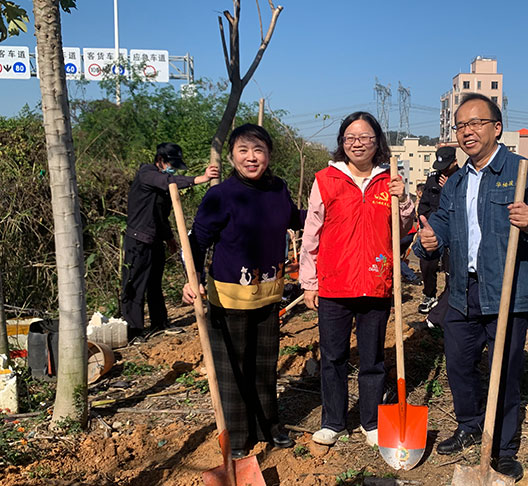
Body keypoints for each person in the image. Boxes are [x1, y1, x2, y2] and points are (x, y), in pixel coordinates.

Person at [414, 93, 528, 482]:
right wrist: (430, 240)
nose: (468, 132)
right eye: (461, 125)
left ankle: (503, 448)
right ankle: (468, 423)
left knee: (506, 372)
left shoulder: (523, 172)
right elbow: (442, 223)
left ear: (496, 128)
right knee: (459, 364)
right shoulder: (457, 181)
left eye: (476, 123)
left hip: (507, 290)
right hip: (463, 288)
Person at [182, 124, 303, 458]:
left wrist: (331, 212)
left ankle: (269, 426)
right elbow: (198, 240)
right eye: (244, 151)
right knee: (234, 369)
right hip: (230, 297)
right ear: (233, 156)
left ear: (269, 155)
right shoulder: (221, 195)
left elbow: (294, 217)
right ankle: (238, 437)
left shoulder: (277, 188)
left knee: (265, 365)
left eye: (259, 150)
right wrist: (190, 278)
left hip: (268, 293)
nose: (252, 158)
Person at [300, 112, 414, 447]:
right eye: (350, 137)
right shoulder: (326, 179)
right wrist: (309, 281)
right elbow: (312, 233)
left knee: (372, 358)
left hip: (376, 283)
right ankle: (333, 421)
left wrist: (404, 199)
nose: (357, 143)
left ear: (377, 141)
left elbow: (404, 228)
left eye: (365, 137)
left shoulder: (389, 180)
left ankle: (370, 421)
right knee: (333, 357)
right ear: (342, 143)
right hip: (335, 283)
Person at [121, 143, 218, 344]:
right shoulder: (147, 174)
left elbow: (160, 215)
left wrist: (169, 238)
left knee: (155, 284)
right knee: (135, 285)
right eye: (170, 164)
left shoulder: (162, 186)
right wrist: (200, 179)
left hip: (154, 239)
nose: (172, 168)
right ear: (160, 161)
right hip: (138, 240)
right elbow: (168, 181)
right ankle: (134, 331)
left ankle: (160, 322)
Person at [417, 146, 459, 315]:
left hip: (453, 231)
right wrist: (425, 225)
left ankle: (451, 299)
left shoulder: (462, 177)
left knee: (452, 268)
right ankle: (429, 295)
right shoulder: (432, 178)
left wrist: (450, 187)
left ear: (455, 162)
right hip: (432, 228)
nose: (442, 171)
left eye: (446, 167)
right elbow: (424, 204)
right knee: (427, 264)